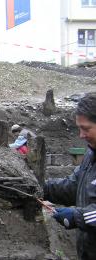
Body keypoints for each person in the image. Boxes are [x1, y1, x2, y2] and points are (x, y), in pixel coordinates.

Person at [44, 92, 96, 260]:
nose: (81, 135)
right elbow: (73, 186)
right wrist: (40, 187)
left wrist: (76, 216)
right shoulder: (91, 154)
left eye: (86, 129)